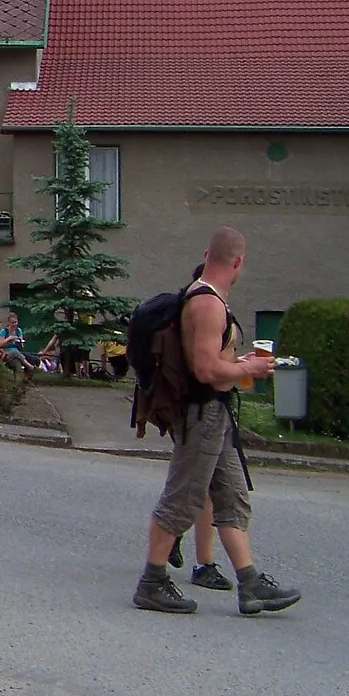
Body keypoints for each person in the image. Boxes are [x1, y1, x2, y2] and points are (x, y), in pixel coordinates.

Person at [133, 227, 299, 617]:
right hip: (201, 412)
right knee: (184, 497)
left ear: (209, 253)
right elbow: (206, 369)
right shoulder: (207, 303)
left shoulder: (209, 297)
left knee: (232, 495)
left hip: (215, 412)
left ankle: (250, 582)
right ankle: (152, 581)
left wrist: (242, 366)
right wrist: (249, 367)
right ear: (238, 262)